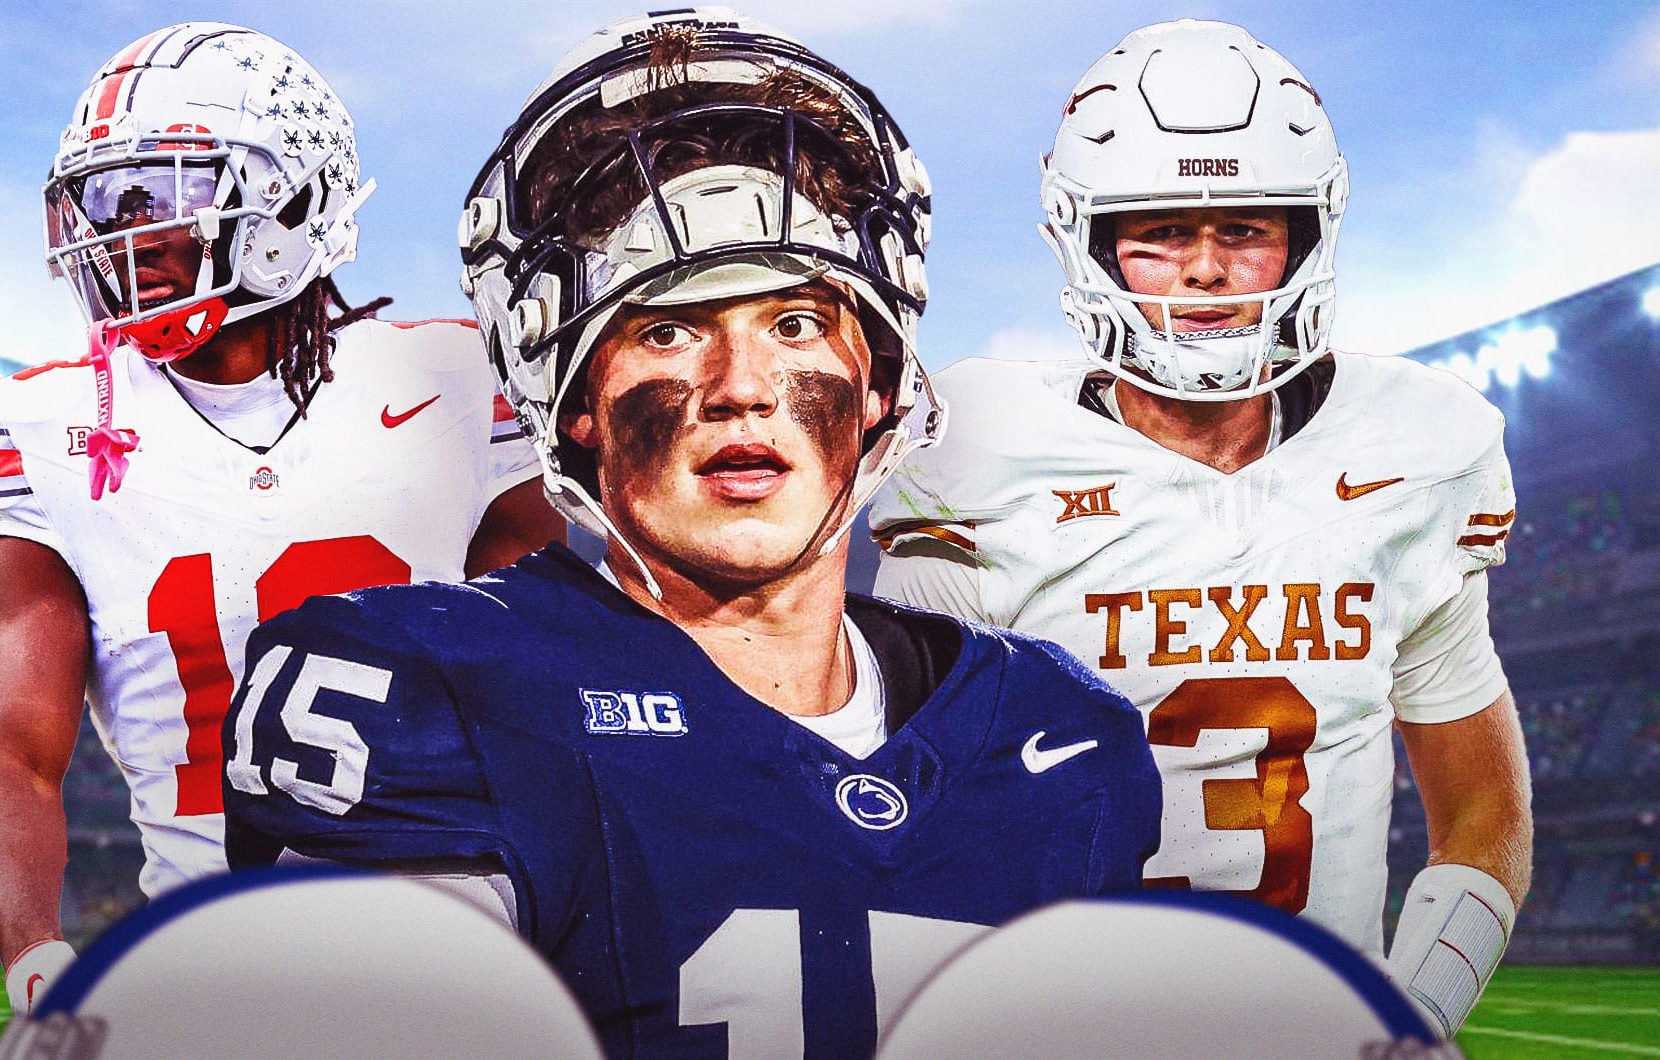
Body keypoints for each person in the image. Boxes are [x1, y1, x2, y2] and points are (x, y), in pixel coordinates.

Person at [224, 9, 1161, 1056]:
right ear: (573, 397)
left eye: (795, 323)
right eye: (668, 328)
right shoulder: (432, 692)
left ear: (878, 378)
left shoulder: (1065, 736)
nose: (742, 391)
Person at [870, 18, 1531, 1040]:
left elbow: (1483, 807)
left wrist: (1412, 1015)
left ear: (1308, 235)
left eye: (1245, 230)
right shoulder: (982, 455)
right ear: (1089, 242)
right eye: (1162, 233)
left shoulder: (1415, 451)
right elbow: (893, 818)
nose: (1207, 271)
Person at [0, 21, 563, 1014]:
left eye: (165, 195)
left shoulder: (456, 381)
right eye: (107, 199)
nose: (125, 232)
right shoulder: (53, 426)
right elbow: (15, 752)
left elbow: (559, 692)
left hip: (458, 959)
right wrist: (36, 956)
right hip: (206, 970)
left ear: (298, 196)